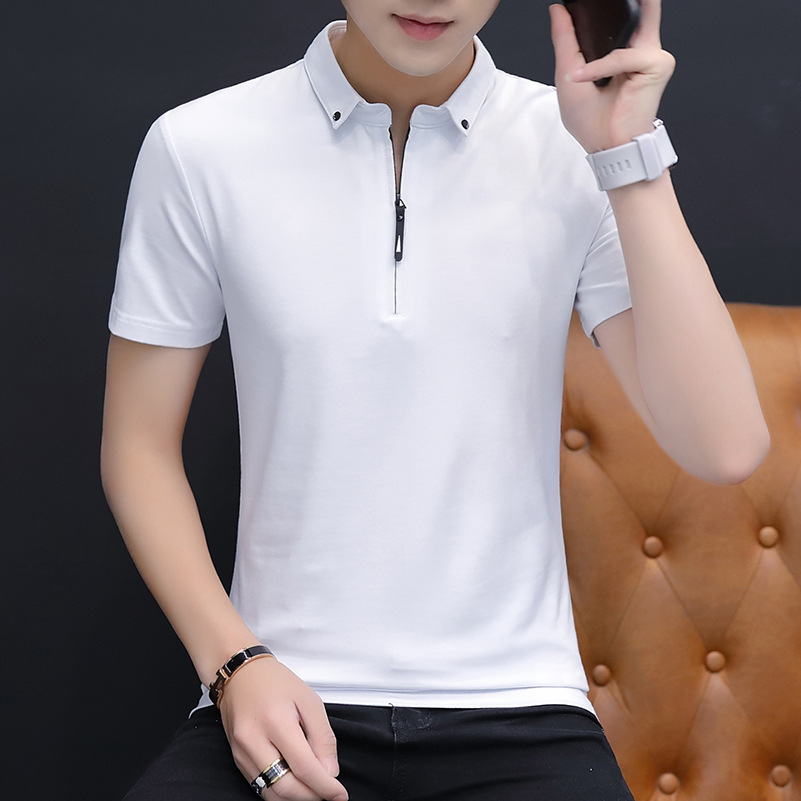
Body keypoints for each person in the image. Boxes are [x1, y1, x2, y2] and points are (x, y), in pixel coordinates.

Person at [101, 2, 769, 800]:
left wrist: (627, 153)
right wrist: (234, 662)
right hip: (279, 699)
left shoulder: (574, 147)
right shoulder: (201, 145)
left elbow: (724, 445)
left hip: (521, 711)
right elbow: (137, 448)